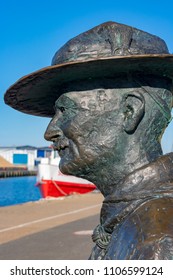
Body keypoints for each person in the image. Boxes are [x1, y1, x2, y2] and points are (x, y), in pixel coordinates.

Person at [4, 21, 173, 259]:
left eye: (65, 111)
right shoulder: (136, 219)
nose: (50, 131)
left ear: (129, 111)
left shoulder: (157, 239)